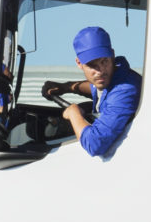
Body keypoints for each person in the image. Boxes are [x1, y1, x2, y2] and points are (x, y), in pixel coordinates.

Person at [43, 25, 142, 158]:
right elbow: (96, 88)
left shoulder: (125, 91)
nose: (100, 71)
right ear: (79, 63)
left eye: (104, 61)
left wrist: (74, 113)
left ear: (112, 55)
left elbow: (95, 144)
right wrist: (67, 87)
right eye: (92, 65)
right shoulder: (113, 78)